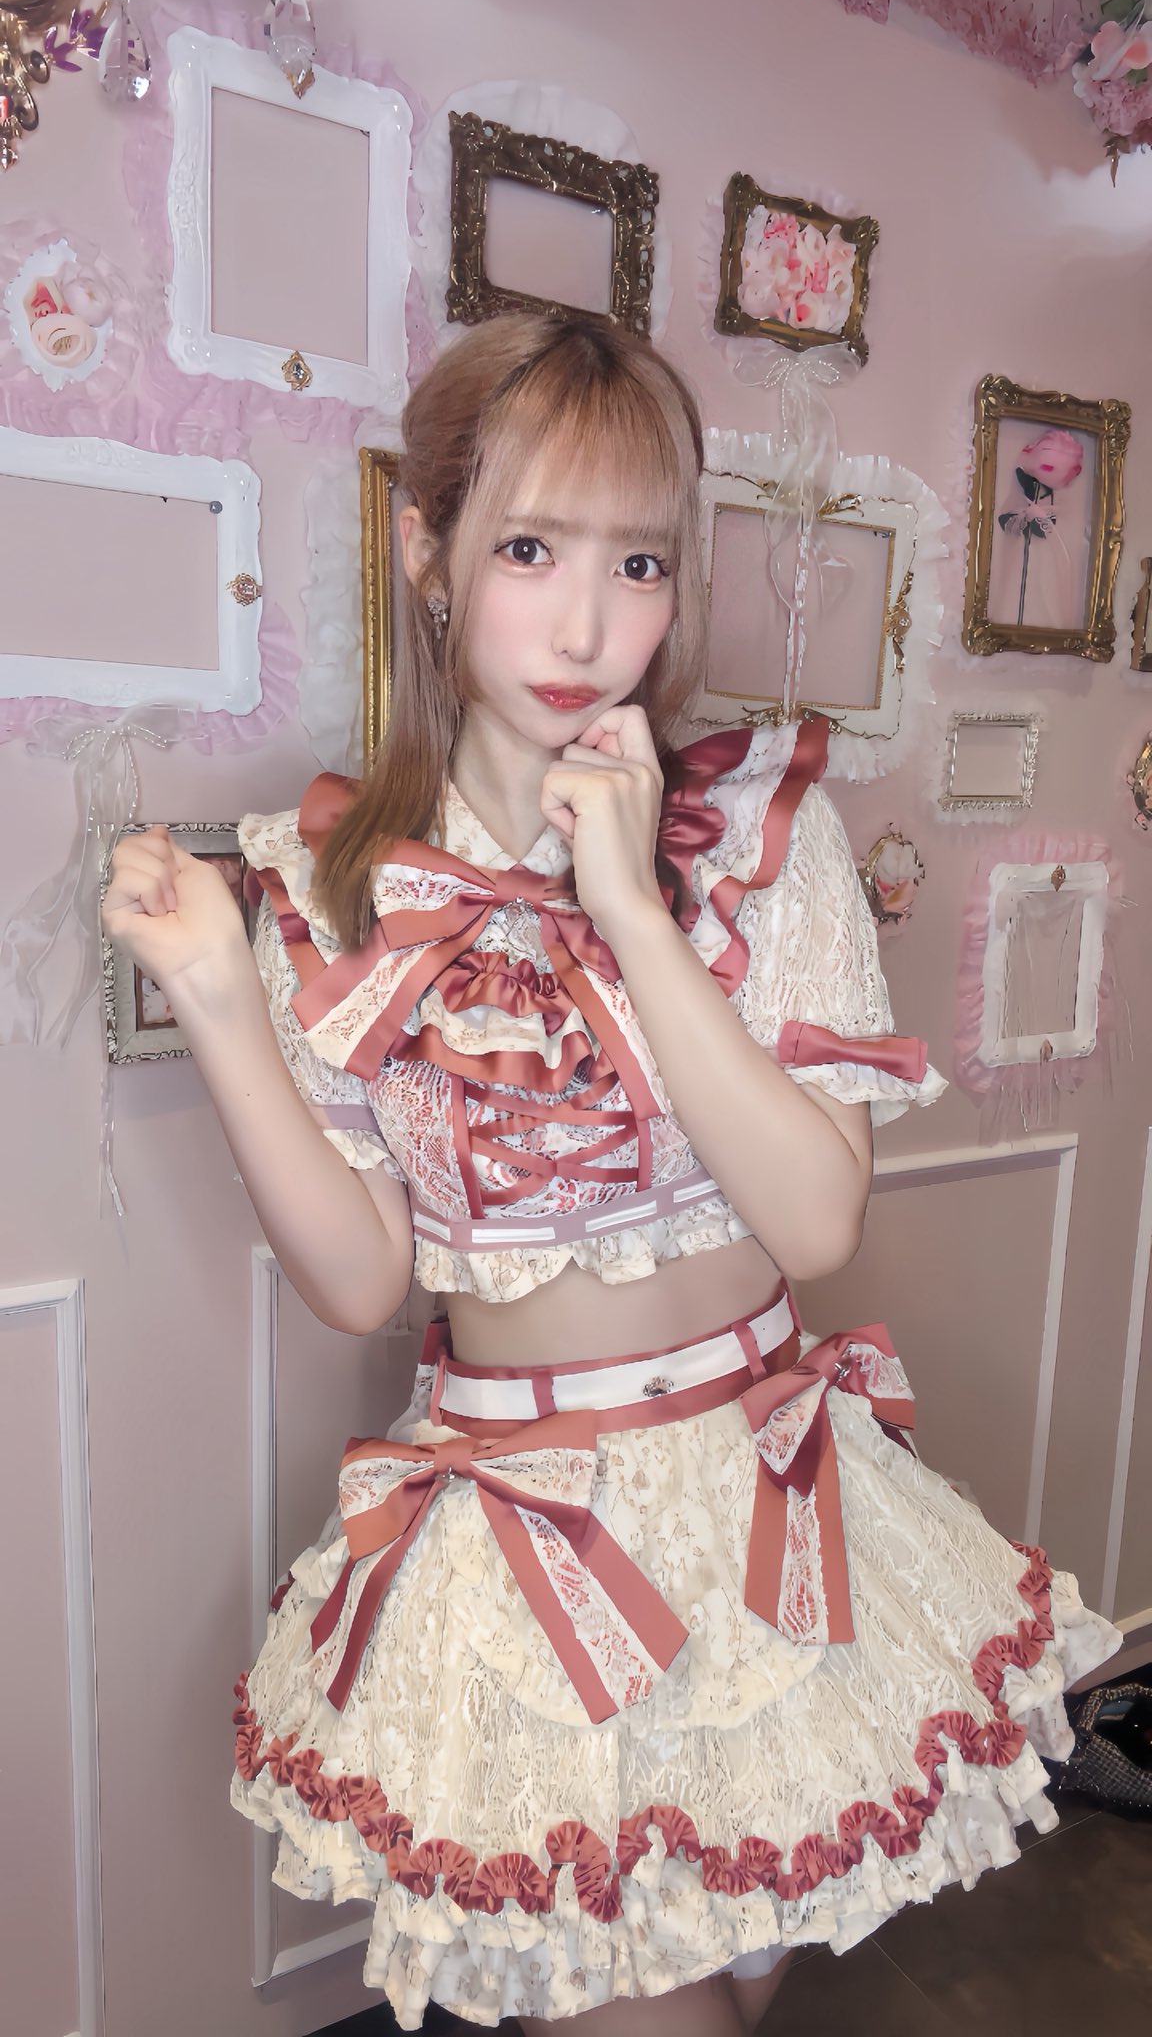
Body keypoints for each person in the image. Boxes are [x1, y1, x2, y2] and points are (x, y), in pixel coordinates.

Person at [102, 317, 1122, 2035]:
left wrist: (636, 908)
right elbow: (362, 1280)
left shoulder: (766, 842)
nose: (587, 629)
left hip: (774, 1520)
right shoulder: (338, 893)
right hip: (536, 1553)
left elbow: (816, 1222)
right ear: (427, 553)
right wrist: (216, 996)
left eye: (637, 563)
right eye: (528, 550)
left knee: (732, 1981)